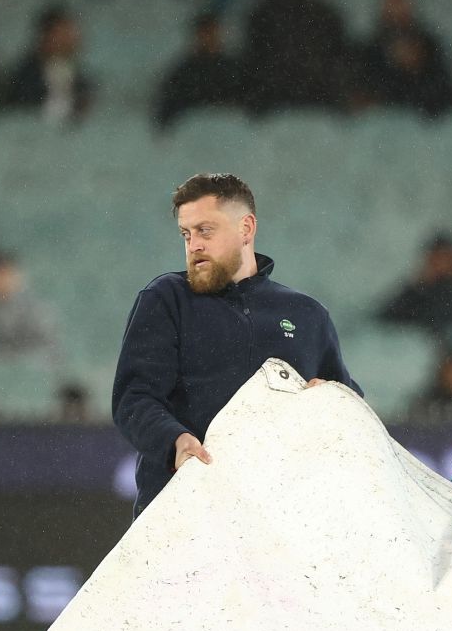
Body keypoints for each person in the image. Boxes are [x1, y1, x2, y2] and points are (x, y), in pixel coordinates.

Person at [112, 173, 359, 516]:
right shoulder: (166, 299)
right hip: (183, 515)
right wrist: (175, 442)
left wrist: (331, 398)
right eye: (186, 234)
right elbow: (133, 400)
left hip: (282, 521)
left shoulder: (307, 314)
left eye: (205, 231)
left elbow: (351, 408)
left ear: (246, 228)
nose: (193, 244)